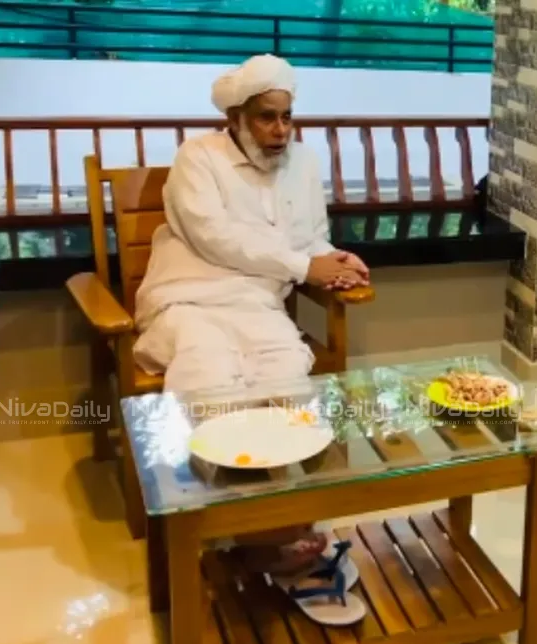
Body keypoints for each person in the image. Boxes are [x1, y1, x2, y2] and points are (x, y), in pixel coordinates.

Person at [133, 54, 371, 575]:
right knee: (213, 386)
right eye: (266, 117)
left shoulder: (304, 163)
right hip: (190, 300)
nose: (280, 130)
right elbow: (213, 238)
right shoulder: (198, 157)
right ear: (235, 118)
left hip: (260, 306)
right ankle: (217, 532)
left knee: (289, 383)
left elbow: (309, 237)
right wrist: (304, 266)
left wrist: (334, 260)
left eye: (287, 117)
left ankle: (279, 524)